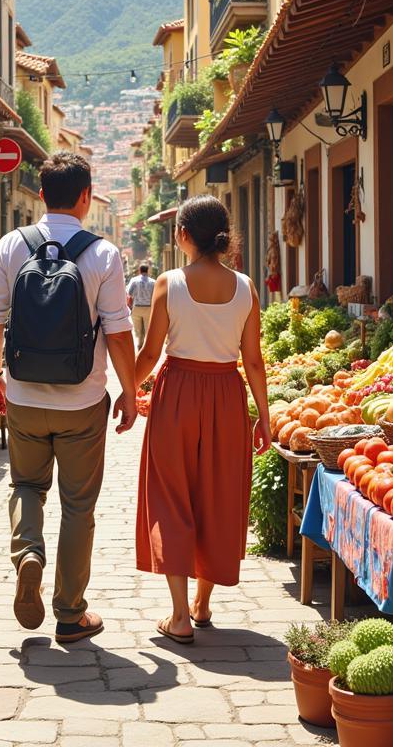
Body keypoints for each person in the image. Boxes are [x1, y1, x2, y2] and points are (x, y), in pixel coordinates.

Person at [0, 151, 137, 644]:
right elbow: (118, 332)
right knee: (78, 506)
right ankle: (70, 614)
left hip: (24, 394)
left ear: (41, 194)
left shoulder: (11, 244)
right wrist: (129, 392)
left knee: (26, 486)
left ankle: (29, 553)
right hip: (83, 399)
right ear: (87, 198)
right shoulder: (104, 254)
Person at [134, 194, 271, 645]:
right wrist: (264, 418)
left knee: (171, 495)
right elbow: (253, 362)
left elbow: (151, 354)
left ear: (183, 235)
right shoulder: (247, 287)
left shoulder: (168, 283)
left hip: (176, 396)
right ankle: (203, 604)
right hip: (227, 397)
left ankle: (179, 616)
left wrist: (126, 390)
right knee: (218, 493)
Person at [126, 264, 156, 347]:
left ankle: (140, 346)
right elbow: (156, 296)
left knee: (138, 330)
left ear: (139, 270)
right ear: (148, 270)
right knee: (148, 330)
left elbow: (129, 294)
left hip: (137, 307)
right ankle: (147, 346)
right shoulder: (153, 282)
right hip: (149, 308)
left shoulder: (134, 280)